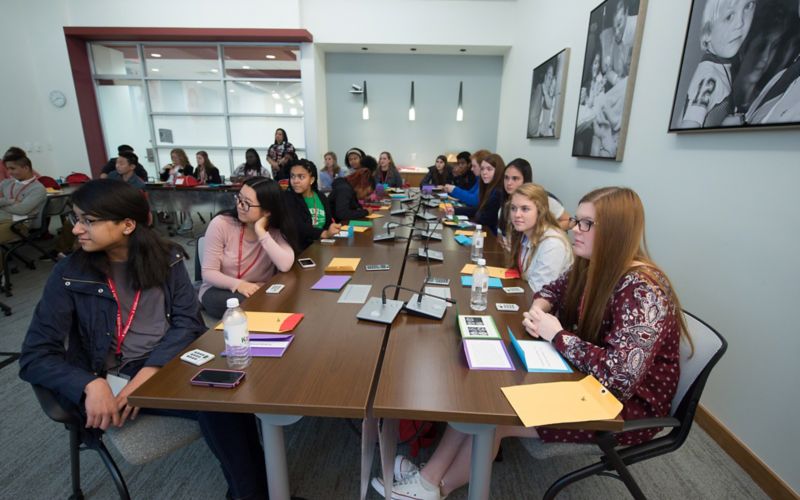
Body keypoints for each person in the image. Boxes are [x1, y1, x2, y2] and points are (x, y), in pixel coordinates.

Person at [374, 186, 689, 500]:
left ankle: (433, 488)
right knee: (485, 398)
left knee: (494, 417)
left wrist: (557, 335)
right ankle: (429, 479)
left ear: (616, 232)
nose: (574, 229)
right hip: (592, 384)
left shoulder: (642, 289)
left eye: (586, 224)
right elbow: (552, 290)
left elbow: (620, 376)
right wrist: (540, 308)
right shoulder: (590, 264)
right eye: (577, 220)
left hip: (624, 409)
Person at [19, 179, 270, 499]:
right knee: (220, 406)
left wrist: (149, 374)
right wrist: (89, 384)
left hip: (167, 364)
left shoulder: (168, 259)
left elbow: (187, 324)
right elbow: (35, 355)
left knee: (232, 394)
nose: (77, 230)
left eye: (88, 221)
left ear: (127, 224)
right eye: (76, 219)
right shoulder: (70, 273)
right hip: (111, 374)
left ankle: (254, 493)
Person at [199, 177, 296, 318]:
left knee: (280, 300)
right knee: (251, 305)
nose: (239, 206)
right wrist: (240, 285)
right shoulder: (221, 224)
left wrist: (260, 231)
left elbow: (285, 265)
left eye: (247, 204)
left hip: (256, 291)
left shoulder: (273, 232)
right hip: (219, 290)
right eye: (239, 199)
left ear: (267, 211)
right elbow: (208, 273)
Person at [680, 0, 757, 128]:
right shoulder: (709, 76)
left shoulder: (721, 67)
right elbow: (688, 126)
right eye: (729, 17)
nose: (740, 23)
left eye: (748, 6)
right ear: (707, 32)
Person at [507, 183, 572, 292]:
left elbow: (539, 291)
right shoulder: (525, 233)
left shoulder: (553, 244)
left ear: (540, 211)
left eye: (525, 209)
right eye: (513, 208)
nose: (517, 214)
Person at [284, 159, 341, 250]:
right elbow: (298, 227)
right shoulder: (288, 198)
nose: (295, 181)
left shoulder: (320, 196)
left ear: (312, 179)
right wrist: (325, 233)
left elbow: (328, 222)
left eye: (301, 177)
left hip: (322, 246)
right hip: (300, 249)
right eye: (292, 176)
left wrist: (332, 228)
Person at [0, 150, 46, 249]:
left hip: (19, 225)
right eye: (7, 169)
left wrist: (1, 205)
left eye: (12, 168)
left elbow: (22, 210)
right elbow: (16, 207)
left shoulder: (38, 188)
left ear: (26, 168)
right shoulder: (6, 183)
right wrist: (9, 201)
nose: (9, 172)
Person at [496, 158, 533, 247]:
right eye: (506, 178)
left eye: (515, 178)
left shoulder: (537, 201)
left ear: (525, 180)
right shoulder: (503, 207)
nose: (509, 183)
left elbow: (565, 220)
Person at [470, 153, 505, 234]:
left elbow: (484, 218)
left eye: (489, 169)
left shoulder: (498, 192)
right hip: (485, 232)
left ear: (498, 171)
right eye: (482, 169)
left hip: (491, 237)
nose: (484, 172)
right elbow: (479, 209)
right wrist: (455, 210)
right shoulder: (488, 187)